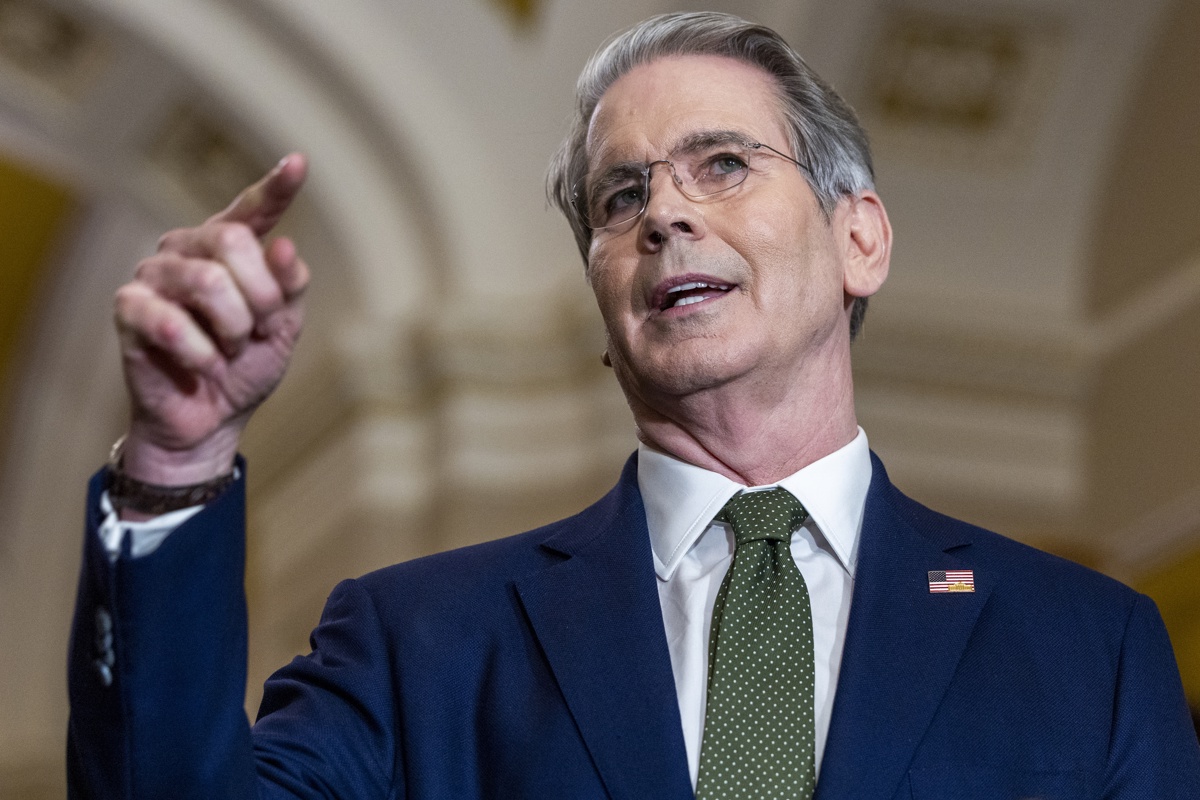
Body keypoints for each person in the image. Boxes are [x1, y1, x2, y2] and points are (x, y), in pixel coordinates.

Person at [67, 11, 1200, 799]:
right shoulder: (421, 644)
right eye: (622, 196)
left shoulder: (1086, 644)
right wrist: (180, 453)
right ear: (605, 299)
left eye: (721, 165)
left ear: (861, 238)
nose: (664, 214)